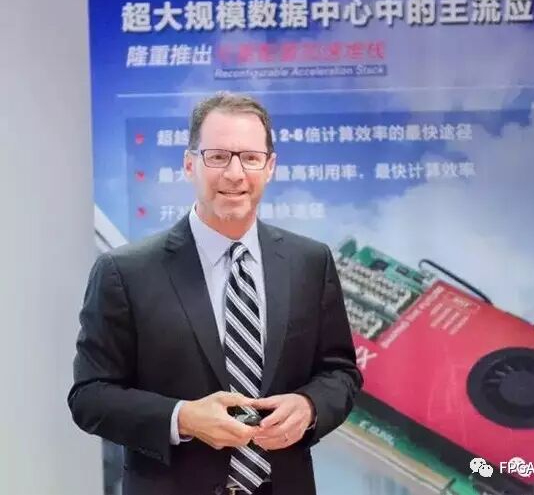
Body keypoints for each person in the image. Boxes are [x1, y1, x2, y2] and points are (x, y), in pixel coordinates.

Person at [68, 93, 362, 495]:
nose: (235, 174)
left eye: (251, 158)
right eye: (218, 157)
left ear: (270, 166)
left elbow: (340, 372)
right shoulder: (125, 272)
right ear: (190, 164)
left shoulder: (309, 262)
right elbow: (90, 396)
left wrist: (310, 407)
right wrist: (183, 417)